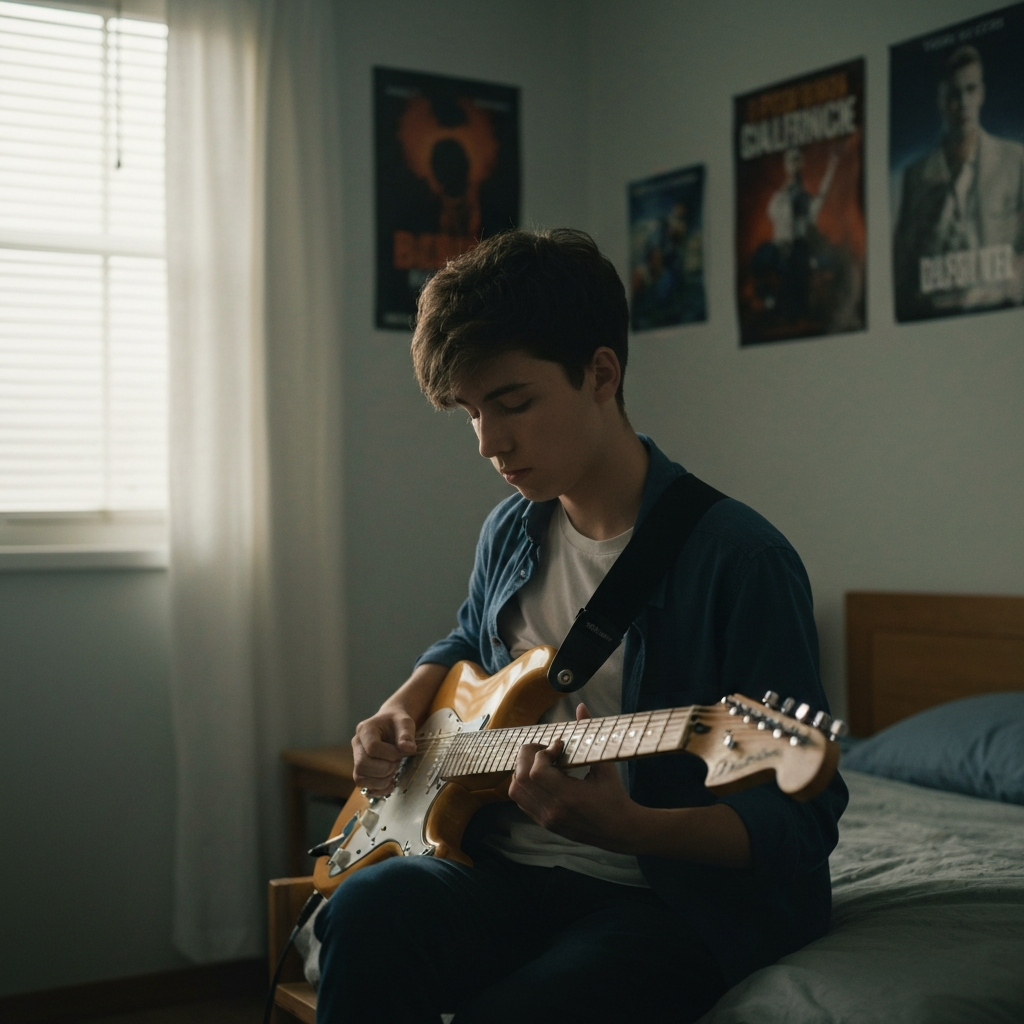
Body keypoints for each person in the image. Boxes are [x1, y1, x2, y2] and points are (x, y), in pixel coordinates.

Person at [315, 228, 848, 1024]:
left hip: (659, 900)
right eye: (470, 414)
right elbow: (467, 643)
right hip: (496, 865)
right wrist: (398, 706)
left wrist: (632, 826)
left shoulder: (742, 560)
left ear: (602, 373)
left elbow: (799, 820)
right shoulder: (511, 529)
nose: (492, 443)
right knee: (362, 912)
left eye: (514, 403)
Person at [893, 44, 1024, 320]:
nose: (963, 103)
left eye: (971, 89)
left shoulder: (1015, 160)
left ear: (982, 94)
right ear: (940, 100)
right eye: (953, 93)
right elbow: (901, 271)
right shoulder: (915, 176)